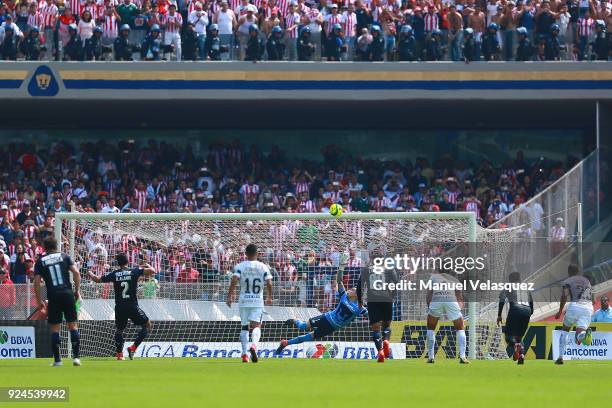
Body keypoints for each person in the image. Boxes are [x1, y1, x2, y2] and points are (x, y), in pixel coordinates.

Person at [277, 254, 367, 355]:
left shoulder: (360, 308)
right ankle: (294, 320)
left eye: (352, 290)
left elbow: (371, 315)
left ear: (357, 294)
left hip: (331, 328)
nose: (349, 290)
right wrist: (341, 266)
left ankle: (285, 343)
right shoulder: (344, 296)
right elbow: (339, 281)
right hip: (326, 318)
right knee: (303, 327)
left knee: (307, 337)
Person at [87, 253, 156, 360]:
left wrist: (90, 272)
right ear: (127, 261)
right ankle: (133, 348)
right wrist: (145, 264)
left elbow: (96, 279)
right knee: (147, 325)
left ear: (118, 263)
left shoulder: (114, 274)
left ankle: (119, 355)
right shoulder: (134, 271)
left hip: (120, 307)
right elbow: (152, 271)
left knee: (119, 330)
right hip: (132, 306)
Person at [33, 237, 82, 367]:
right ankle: (76, 358)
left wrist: (39, 301)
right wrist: (76, 290)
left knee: (55, 329)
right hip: (67, 293)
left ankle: (58, 360)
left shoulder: (40, 261)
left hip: (53, 296)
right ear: (56, 246)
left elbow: (36, 282)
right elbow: (76, 273)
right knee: (73, 326)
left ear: (44, 247)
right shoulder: (64, 256)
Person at [226, 244, 273, 363]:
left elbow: (234, 280)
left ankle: (244, 355)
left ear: (245, 254)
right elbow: (269, 283)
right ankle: (254, 346)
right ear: (257, 253)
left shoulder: (240, 266)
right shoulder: (263, 267)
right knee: (257, 326)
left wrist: (230, 295)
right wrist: (269, 297)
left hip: (244, 300)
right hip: (257, 301)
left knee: (244, 327)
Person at [357, 251, 398, 362]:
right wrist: (392, 296)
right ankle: (386, 341)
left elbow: (359, 286)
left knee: (375, 328)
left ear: (372, 259)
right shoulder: (389, 269)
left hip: (373, 300)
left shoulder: (366, 270)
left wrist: (360, 301)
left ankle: (380, 351)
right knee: (387, 325)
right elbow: (396, 283)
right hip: (386, 298)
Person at [425, 269, 469, 364]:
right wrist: (459, 308)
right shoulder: (454, 278)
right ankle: (462, 357)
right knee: (460, 329)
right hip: (451, 301)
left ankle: (430, 357)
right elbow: (459, 295)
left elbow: (429, 293)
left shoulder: (433, 277)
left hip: (436, 300)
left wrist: (430, 307)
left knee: (430, 329)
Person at [554, 264, 593, 365]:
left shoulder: (567, 281)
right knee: (578, 336)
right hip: (588, 307)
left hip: (575, 306)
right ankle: (583, 334)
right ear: (578, 271)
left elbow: (564, 296)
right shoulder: (586, 281)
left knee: (565, 330)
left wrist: (560, 311)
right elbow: (593, 298)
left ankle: (560, 357)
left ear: (569, 272)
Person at [497, 272, 533, 365]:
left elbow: (502, 300)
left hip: (515, 309)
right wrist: (528, 314)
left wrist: (499, 315)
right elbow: (531, 304)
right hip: (527, 311)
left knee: (509, 337)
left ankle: (515, 346)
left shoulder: (509, 286)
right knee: (519, 337)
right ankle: (521, 355)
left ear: (510, 280)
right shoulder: (526, 288)